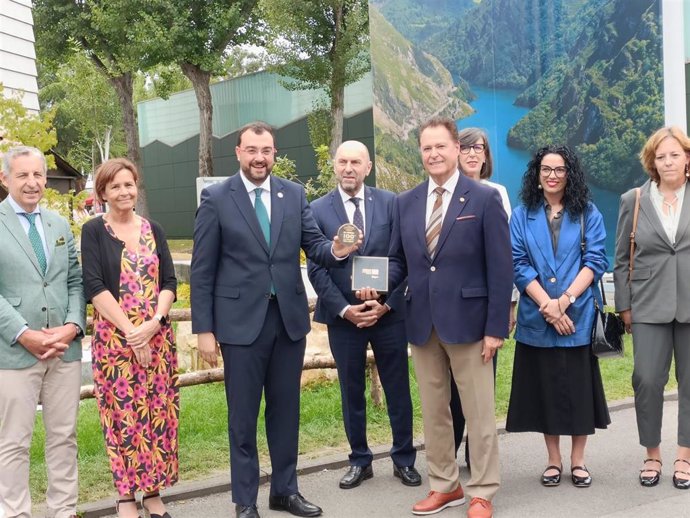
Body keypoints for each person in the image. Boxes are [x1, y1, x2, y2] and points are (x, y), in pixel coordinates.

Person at [190, 121, 360, 518]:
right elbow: (202, 270)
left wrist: (336, 248)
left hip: (287, 322)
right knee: (243, 415)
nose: (259, 158)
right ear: (238, 152)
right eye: (251, 150)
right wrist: (203, 330)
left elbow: (313, 244)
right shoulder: (216, 198)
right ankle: (245, 500)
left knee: (286, 410)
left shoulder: (292, 193)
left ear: (274, 153)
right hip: (238, 325)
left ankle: (285, 490)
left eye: (266, 151)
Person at [359, 117, 513, 518]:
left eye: (440, 147)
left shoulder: (482, 198)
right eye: (426, 148)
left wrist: (496, 327)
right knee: (434, 410)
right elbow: (400, 262)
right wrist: (378, 292)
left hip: (471, 324)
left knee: (478, 412)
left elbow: (501, 267)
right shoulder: (405, 202)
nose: (433, 154)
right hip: (422, 323)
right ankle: (445, 485)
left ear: (456, 150)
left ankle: (482, 489)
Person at [307, 140, 419, 490]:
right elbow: (316, 267)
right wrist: (345, 309)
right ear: (335, 166)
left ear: (368, 167)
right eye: (342, 162)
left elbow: (402, 257)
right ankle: (359, 460)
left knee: (398, 388)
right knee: (351, 390)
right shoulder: (315, 209)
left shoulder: (391, 203)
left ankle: (404, 459)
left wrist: (384, 299)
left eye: (356, 162)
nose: (349, 168)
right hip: (344, 318)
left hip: (387, 315)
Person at [506, 145, 610, 488]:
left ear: (570, 174)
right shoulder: (522, 215)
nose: (552, 175)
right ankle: (553, 460)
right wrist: (548, 307)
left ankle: (578, 461)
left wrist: (563, 301)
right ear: (537, 175)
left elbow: (596, 261)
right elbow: (518, 263)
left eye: (560, 169)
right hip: (538, 317)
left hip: (577, 315)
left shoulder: (587, 213)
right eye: (546, 169)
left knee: (578, 391)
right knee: (546, 390)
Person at [81, 158, 178, 518]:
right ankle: (125, 496)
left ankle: (152, 493)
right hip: (116, 343)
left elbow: (169, 282)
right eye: (115, 186)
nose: (124, 191)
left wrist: (154, 322)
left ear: (137, 187)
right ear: (103, 193)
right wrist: (132, 333)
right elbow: (94, 286)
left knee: (156, 412)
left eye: (129, 184)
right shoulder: (94, 231)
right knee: (122, 415)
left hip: (157, 340)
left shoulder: (154, 229)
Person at [0, 146, 86, 518]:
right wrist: (23, 333)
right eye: (23, 175)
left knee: (63, 437)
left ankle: (63, 510)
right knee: (14, 442)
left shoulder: (59, 224)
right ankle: (15, 512)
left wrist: (72, 326)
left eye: (38, 175)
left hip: (63, 352)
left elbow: (75, 282)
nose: (33, 183)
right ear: (5, 179)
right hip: (16, 352)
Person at [613, 126, 690, 490]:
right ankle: (652, 454)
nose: (668, 161)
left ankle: (684, 456)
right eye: (661, 156)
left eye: (675, 154)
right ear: (652, 162)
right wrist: (624, 306)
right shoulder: (634, 199)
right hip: (647, 305)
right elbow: (620, 260)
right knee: (646, 379)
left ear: (687, 158)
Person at [450, 127, 517, 468]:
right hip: (448, 305)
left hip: (484, 304)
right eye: (466, 147)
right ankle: (449, 454)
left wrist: (508, 303)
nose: (473, 153)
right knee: (450, 388)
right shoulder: (442, 193)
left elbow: (504, 256)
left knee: (482, 382)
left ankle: (478, 455)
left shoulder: (496, 193)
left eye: (480, 148)